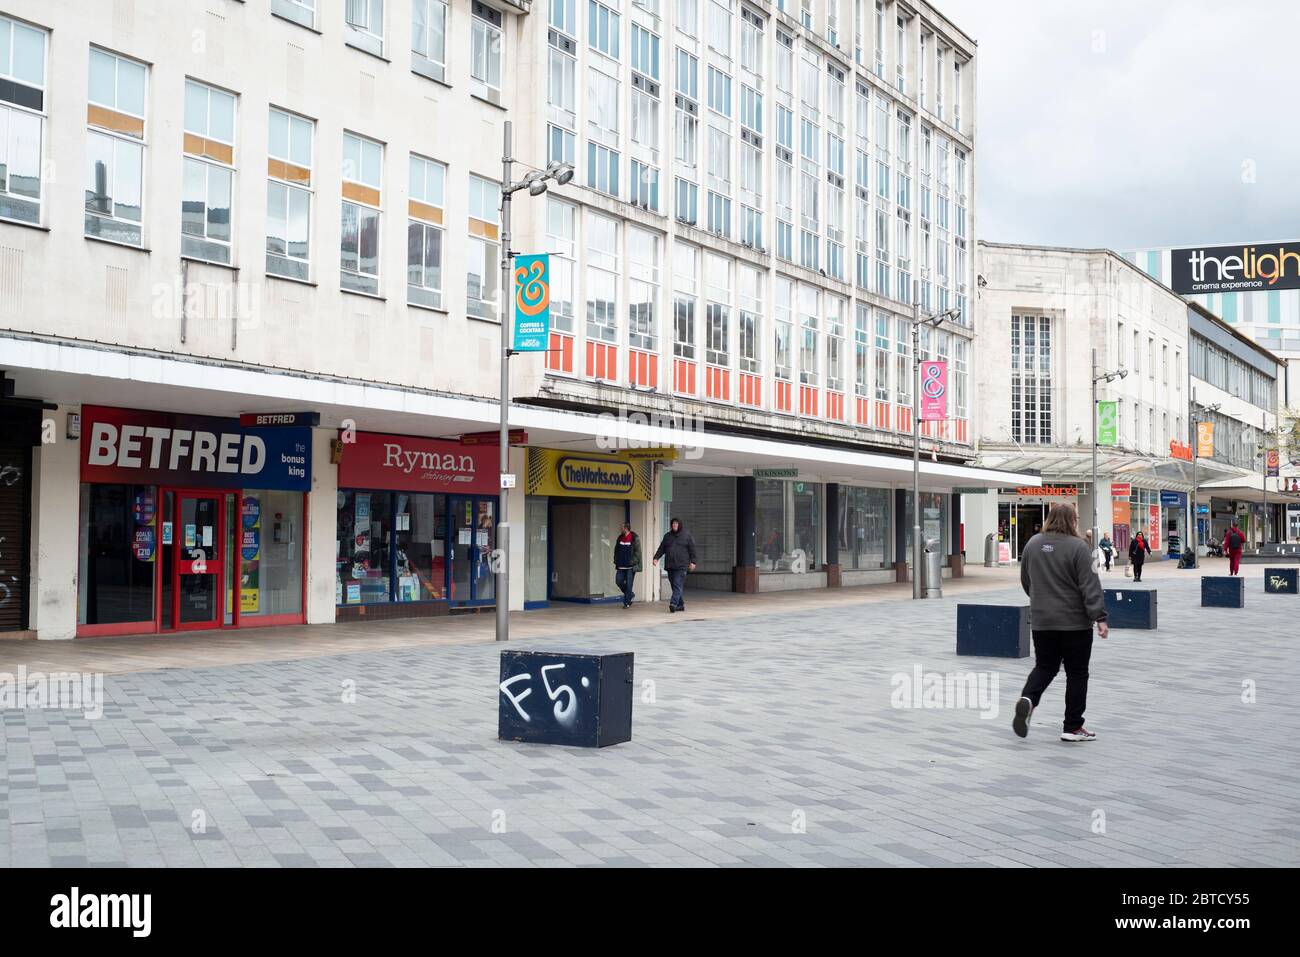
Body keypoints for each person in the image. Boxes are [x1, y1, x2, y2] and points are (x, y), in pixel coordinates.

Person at [1012, 503, 1109, 743]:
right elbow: (1090, 585)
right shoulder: (1079, 547)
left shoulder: (1033, 544)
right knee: (1077, 673)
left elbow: (1026, 580)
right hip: (1074, 622)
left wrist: (1039, 600)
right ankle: (1072, 726)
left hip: (1042, 620)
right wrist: (1099, 617)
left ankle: (1029, 699)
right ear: (1072, 520)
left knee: (1045, 666)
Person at [653, 517, 697, 613]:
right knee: (674, 585)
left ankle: (673, 604)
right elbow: (662, 548)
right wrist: (656, 558)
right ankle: (680, 605)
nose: (674, 526)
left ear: (679, 525)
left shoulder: (686, 536)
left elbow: (692, 549)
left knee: (677, 584)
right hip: (670, 565)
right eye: (673, 524)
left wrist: (693, 562)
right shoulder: (667, 536)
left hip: (681, 566)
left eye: (676, 524)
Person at [612, 522, 642, 608]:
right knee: (618, 581)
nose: (620, 529)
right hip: (620, 566)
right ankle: (630, 595)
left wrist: (631, 562)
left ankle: (626, 602)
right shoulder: (620, 538)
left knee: (629, 585)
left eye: (622, 527)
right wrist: (616, 560)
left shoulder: (634, 538)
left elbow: (638, 553)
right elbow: (616, 550)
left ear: (626, 528)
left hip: (630, 567)